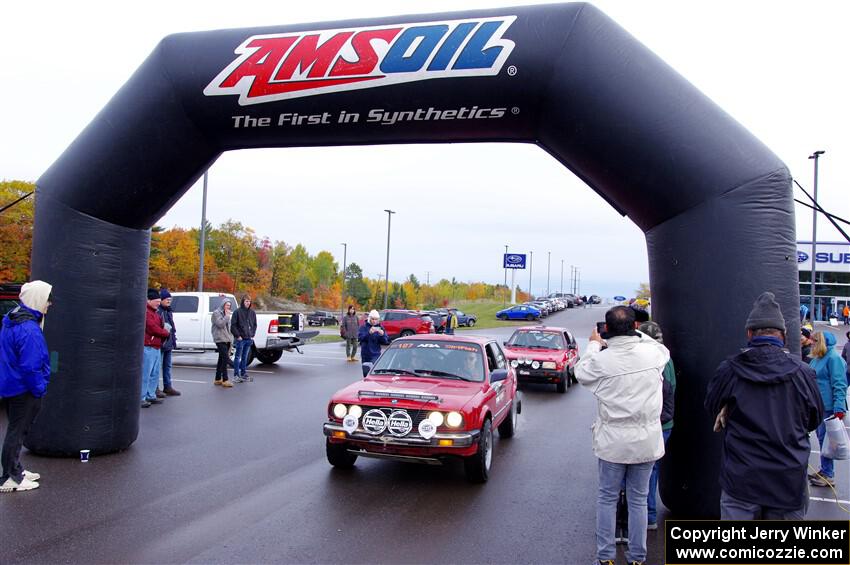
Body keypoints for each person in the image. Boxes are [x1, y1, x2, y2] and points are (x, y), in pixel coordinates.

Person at [705, 291, 823, 519]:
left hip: (742, 478)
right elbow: (814, 418)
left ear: (749, 333)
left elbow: (711, 406)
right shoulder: (803, 373)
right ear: (784, 335)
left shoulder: (730, 370)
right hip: (788, 478)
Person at [575, 305, 669, 565]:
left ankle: (606, 557)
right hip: (646, 442)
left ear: (606, 330)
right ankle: (637, 557)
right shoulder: (653, 355)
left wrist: (594, 344)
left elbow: (580, 372)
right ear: (634, 328)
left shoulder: (601, 361)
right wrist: (638, 334)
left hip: (612, 443)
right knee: (638, 500)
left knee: (607, 498)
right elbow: (663, 349)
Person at [0, 281, 52, 493]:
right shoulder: (28, 329)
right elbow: (31, 365)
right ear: (38, 299)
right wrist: (39, 387)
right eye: (47, 299)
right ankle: (10, 476)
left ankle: (16, 469)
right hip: (24, 387)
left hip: (12, 384)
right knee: (17, 432)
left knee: (16, 430)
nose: (50, 303)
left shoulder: (12, 319)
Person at [638, 321, 676, 531]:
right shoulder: (667, 359)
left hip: (655, 423)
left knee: (645, 470)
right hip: (665, 424)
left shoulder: (650, 361)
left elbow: (664, 392)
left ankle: (647, 515)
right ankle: (647, 514)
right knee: (653, 469)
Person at [808, 331, 848, 488]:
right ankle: (825, 470)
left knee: (828, 441)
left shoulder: (833, 358)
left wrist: (839, 406)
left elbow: (840, 383)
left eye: (814, 340)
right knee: (821, 439)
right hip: (819, 405)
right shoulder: (819, 357)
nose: (811, 343)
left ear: (821, 342)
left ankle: (828, 474)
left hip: (829, 407)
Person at [142, 289, 170, 407]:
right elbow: (152, 328)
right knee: (146, 373)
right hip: (148, 346)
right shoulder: (146, 313)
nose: (158, 303)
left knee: (154, 373)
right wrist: (166, 333)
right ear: (149, 300)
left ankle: (151, 395)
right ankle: (142, 397)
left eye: (159, 301)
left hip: (156, 346)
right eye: (156, 301)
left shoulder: (155, 313)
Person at [157, 289, 180, 397]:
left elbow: (172, 328)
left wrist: (173, 340)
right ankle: (155, 388)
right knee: (157, 366)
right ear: (161, 299)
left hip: (168, 342)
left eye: (170, 299)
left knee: (167, 366)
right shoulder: (158, 311)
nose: (169, 301)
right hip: (161, 343)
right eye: (167, 299)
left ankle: (167, 386)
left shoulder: (168, 311)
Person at [230, 295, 257, 383]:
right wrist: (238, 336)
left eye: (249, 301)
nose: (248, 303)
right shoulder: (237, 312)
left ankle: (243, 374)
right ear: (243, 302)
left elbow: (254, 325)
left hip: (249, 339)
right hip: (240, 339)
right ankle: (236, 375)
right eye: (246, 301)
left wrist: (252, 334)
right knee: (238, 357)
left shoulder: (252, 313)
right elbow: (233, 326)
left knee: (245, 357)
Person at [358, 310, 389, 377]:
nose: (374, 321)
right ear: (369, 318)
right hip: (366, 355)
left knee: (374, 374)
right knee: (366, 374)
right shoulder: (363, 327)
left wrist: (382, 335)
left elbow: (385, 341)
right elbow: (360, 338)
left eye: (376, 319)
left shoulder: (380, 327)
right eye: (373, 319)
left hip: (376, 354)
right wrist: (369, 333)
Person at [211, 300, 234, 387]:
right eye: (227, 305)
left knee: (221, 359)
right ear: (223, 304)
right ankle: (225, 379)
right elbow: (220, 324)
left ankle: (217, 379)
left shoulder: (227, 314)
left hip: (227, 338)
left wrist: (231, 337)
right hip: (219, 338)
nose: (228, 307)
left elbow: (229, 327)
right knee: (225, 358)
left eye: (229, 305)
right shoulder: (216, 313)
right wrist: (227, 316)